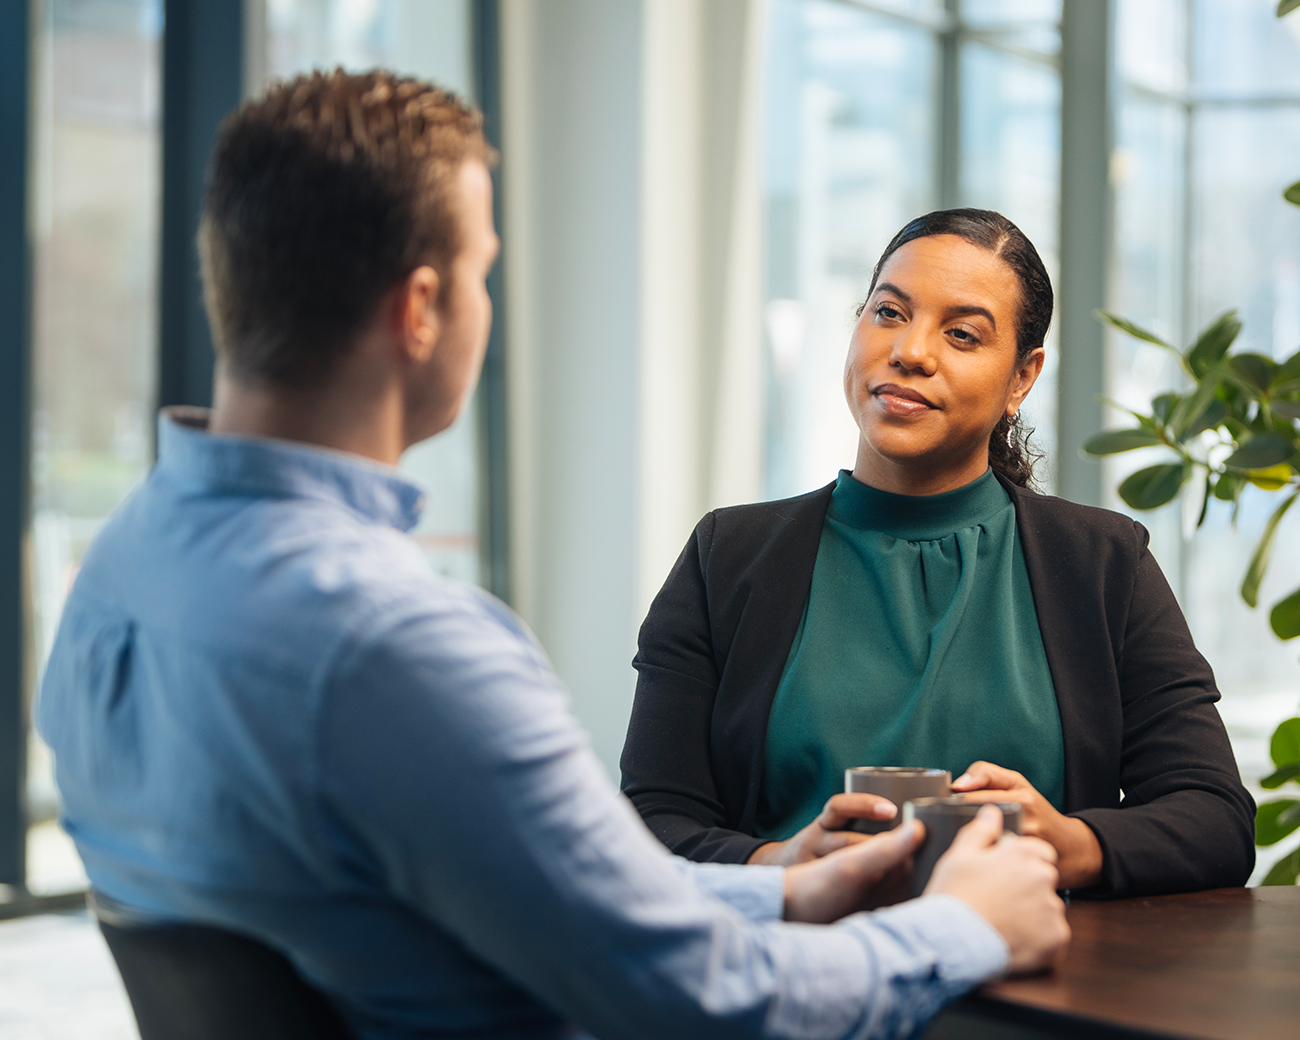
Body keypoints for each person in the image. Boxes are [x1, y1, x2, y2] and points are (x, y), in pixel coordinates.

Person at [36, 73, 1069, 1040]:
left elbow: (545, 886)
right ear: (423, 307)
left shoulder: (126, 562)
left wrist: (783, 886)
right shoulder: (406, 647)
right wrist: (964, 922)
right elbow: (709, 1001)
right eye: (484, 269)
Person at [621, 209, 1255, 897]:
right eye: (889, 313)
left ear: (1022, 378)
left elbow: (1215, 817)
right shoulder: (728, 558)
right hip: (792, 975)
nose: (912, 351)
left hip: (1037, 982)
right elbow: (652, 820)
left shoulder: (1105, 564)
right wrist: (777, 868)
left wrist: (1068, 844)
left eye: (962, 334)